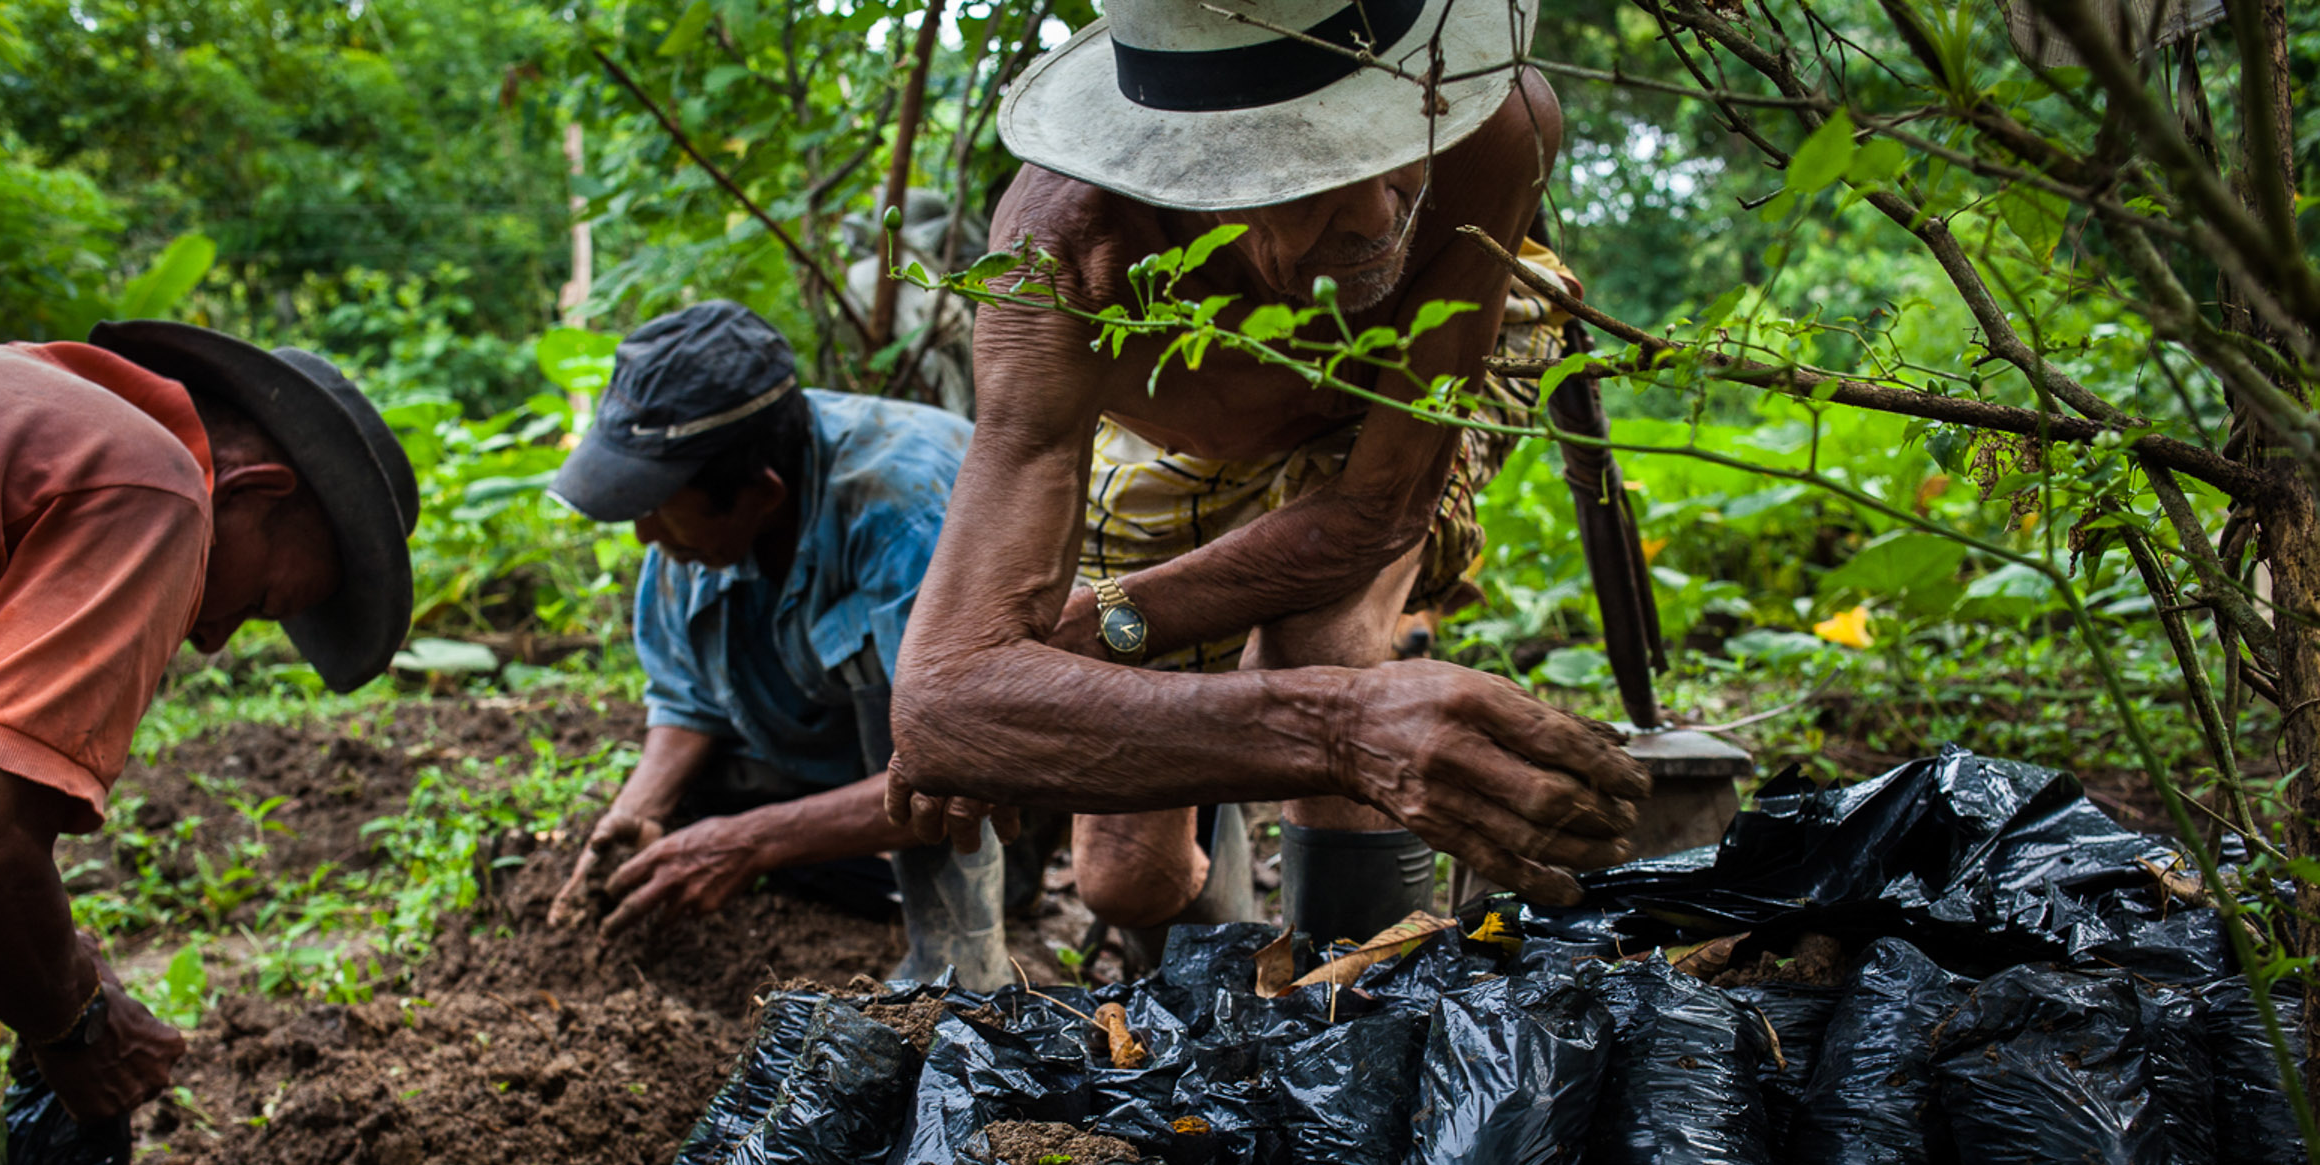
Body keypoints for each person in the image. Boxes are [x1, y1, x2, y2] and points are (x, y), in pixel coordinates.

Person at [884, 0, 1652, 949]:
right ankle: (1231, 977)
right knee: (1126, 880)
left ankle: (1358, 1021)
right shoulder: (1062, 256)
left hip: (1401, 407)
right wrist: (1335, 729)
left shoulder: (1493, 120)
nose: (1378, 215)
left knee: (1323, 636)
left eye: (1391, 137)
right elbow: (941, 705)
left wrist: (1095, 635)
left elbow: (1375, 510)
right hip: (1184, 441)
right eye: (1303, 172)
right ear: (1173, 170)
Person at [0, 321, 415, 1165]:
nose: (224, 638)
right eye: (282, 595)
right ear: (255, 488)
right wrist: (76, 1022)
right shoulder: (149, 478)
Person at [543, 301, 1015, 986]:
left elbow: (949, 766)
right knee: (690, 798)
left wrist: (750, 842)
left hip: (987, 760)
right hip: (837, 751)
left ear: (760, 495)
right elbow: (687, 700)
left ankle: (960, 971)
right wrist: (637, 808)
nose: (644, 535)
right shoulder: (691, 526)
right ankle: (856, 876)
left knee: (941, 790)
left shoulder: (904, 515)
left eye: (654, 505)